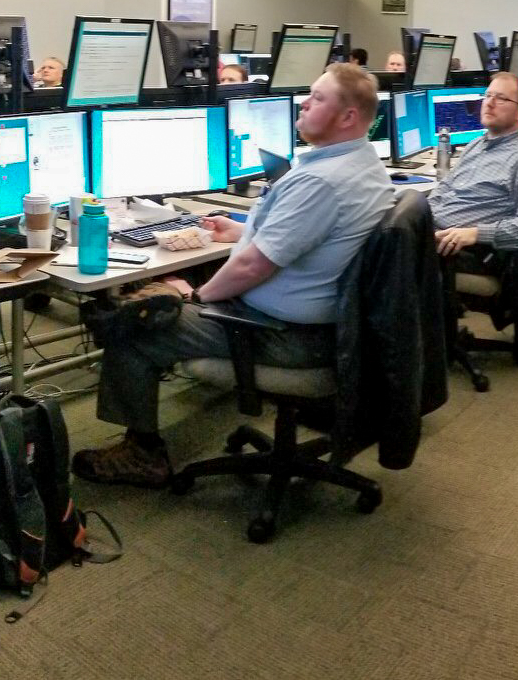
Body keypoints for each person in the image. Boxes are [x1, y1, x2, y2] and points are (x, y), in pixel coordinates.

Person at [70, 63, 393, 487]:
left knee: (133, 323)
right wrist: (243, 231)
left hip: (283, 335)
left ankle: (143, 454)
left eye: (317, 98)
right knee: (158, 302)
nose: (304, 103)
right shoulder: (361, 166)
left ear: (349, 117)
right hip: (324, 329)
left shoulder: (321, 181)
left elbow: (252, 266)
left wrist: (196, 297)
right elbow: (308, 240)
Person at [428, 72, 518, 257]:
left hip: (469, 249)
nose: (489, 103)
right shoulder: (475, 145)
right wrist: (425, 219)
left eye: (501, 98)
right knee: (401, 212)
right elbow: (444, 188)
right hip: (433, 233)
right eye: (488, 96)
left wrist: (476, 234)